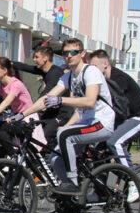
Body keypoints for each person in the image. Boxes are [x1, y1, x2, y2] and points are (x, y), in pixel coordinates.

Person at [22, 38, 116, 194]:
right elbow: (45, 100)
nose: (69, 56)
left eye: (73, 52)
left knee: (64, 135)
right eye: (65, 53)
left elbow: (90, 101)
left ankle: (72, 183)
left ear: (82, 54)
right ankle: (72, 197)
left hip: (101, 122)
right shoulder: (69, 77)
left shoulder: (90, 72)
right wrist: (22, 114)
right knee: (55, 158)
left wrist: (61, 99)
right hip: (86, 123)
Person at [87, 49, 140, 166]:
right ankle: (99, 181)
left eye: (94, 66)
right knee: (98, 152)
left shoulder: (118, 79)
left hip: (139, 118)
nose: (92, 70)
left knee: (114, 142)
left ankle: (134, 180)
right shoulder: (103, 80)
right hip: (123, 119)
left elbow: (116, 107)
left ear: (105, 64)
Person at [11, 46, 73, 148]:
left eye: (36, 57)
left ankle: (51, 160)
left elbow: (46, 95)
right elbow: (26, 67)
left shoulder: (55, 73)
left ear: (45, 58)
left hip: (62, 114)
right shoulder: (44, 71)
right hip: (50, 112)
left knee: (42, 137)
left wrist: (29, 110)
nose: (34, 60)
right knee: (31, 133)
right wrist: (6, 62)